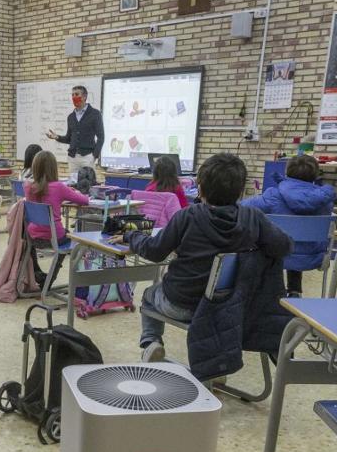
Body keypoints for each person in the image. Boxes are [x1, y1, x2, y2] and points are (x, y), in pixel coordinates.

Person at [118, 153, 292, 362]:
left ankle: (151, 342)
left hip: (183, 304)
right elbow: (284, 246)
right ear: (240, 191)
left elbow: (154, 252)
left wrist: (131, 236)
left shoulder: (187, 216)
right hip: (232, 307)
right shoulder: (254, 218)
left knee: (149, 294)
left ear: (200, 187)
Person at [241, 153, 335, 295]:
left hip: (275, 256)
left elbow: (242, 207)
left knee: (282, 241)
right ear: (315, 175)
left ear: (287, 172)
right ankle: (295, 291)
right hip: (313, 257)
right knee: (296, 244)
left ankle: (268, 293)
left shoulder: (273, 195)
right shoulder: (325, 200)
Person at [25, 150, 89, 247]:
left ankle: (42, 262)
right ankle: (57, 262)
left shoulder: (28, 186)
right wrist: (75, 192)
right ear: (53, 168)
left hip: (32, 236)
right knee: (73, 237)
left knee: (66, 232)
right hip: (53, 237)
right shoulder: (59, 187)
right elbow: (84, 200)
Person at [45, 85, 104, 178]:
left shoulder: (95, 114)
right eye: (72, 95)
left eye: (77, 94)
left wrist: (94, 156)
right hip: (72, 158)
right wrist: (57, 137)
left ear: (84, 97)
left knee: (87, 185)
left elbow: (101, 137)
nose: (74, 97)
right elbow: (69, 138)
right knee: (73, 185)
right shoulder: (71, 117)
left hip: (88, 157)